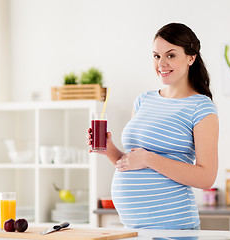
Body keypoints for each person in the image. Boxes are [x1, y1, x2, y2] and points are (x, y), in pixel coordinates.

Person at [88, 22, 219, 230]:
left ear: (191, 58)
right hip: (133, 228)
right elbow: (133, 162)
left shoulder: (201, 107)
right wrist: (109, 150)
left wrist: (149, 158)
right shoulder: (143, 100)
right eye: (157, 56)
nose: (161, 63)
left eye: (171, 55)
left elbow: (206, 177)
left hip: (173, 228)